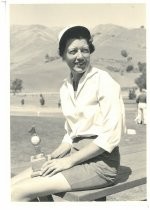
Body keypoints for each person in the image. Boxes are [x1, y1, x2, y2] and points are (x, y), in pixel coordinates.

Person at [11, 25, 126, 201]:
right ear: (63, 55)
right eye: (73, 51)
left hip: (101, 164)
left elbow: (111, 136)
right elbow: (71, 133)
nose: (80, 56)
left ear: (90, 52)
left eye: (84, 50)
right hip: (74, 155)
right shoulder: (65, 87)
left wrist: (67, 161)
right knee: (9, 186)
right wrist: (55, 155)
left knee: (16, 193)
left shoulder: (104, 81)